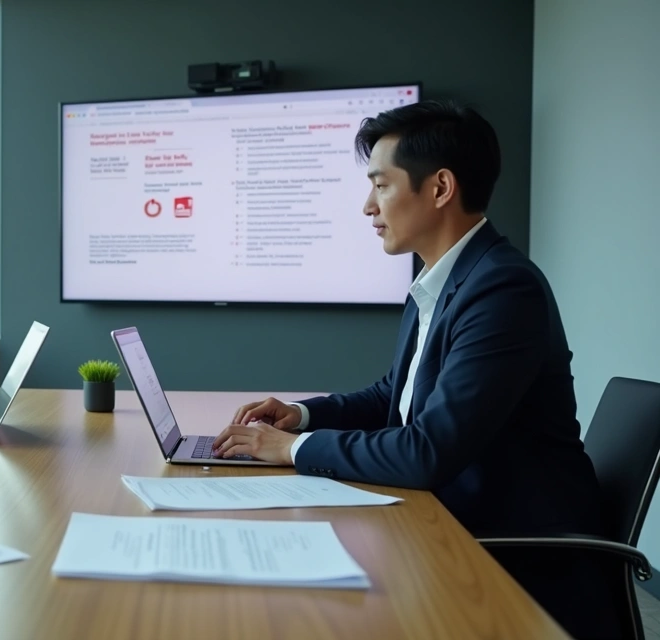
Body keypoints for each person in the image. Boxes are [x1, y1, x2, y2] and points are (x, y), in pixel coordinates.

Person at [211, 100, 617, 638]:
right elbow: (395, 397)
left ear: (440, 188)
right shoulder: (446, 280)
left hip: (513, 556)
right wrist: (301, 416)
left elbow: (429, 449)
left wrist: (289, 451)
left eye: (380, 185)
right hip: (450, 523)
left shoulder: (502, 288)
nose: (368, 207)